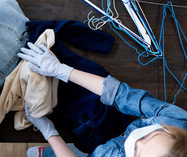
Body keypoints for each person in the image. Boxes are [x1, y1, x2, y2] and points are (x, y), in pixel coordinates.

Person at [18, 42, 187, 157]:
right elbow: (122, 95)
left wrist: (49, 131)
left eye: (137, 152)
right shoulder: (176, 120)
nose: (135, 140)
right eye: (148, 137)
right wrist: (62, 70)